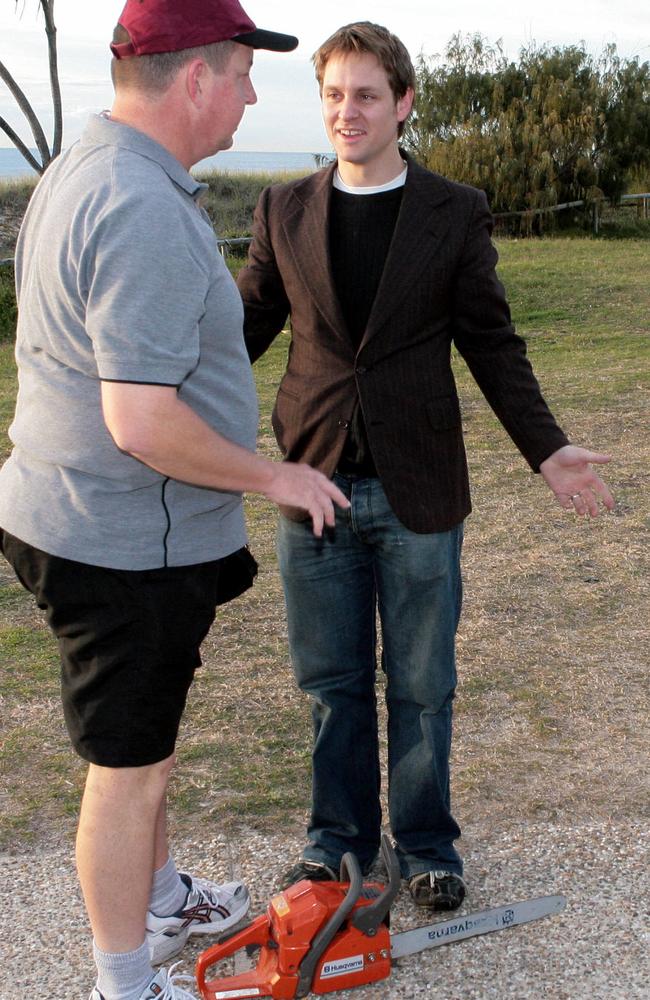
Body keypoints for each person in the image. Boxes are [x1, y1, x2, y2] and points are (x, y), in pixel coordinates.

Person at [0, 2, 349, 999]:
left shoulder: (92, 166)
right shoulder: (140, 205)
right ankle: (126, 980)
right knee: (130, 770)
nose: (249, 95)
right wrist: (272, 474)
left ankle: (160, 900)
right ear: (195, 78)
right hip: (117, 543)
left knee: (143, 738)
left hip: (75, 513)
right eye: (242, 74)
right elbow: (142, 422)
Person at [237, 21, 615, 914]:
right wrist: (156, 408)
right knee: (329, 684)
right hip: (314, 486)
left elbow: (490, 339)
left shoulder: (453, 209)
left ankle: (427, 846)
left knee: (421, 683)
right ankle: (335, 847)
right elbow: (241, 336)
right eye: (333, 94)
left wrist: (548, 449)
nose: (347, 111)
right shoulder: (281, 209)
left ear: (403, 103)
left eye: (366, 94)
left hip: (419, 494)